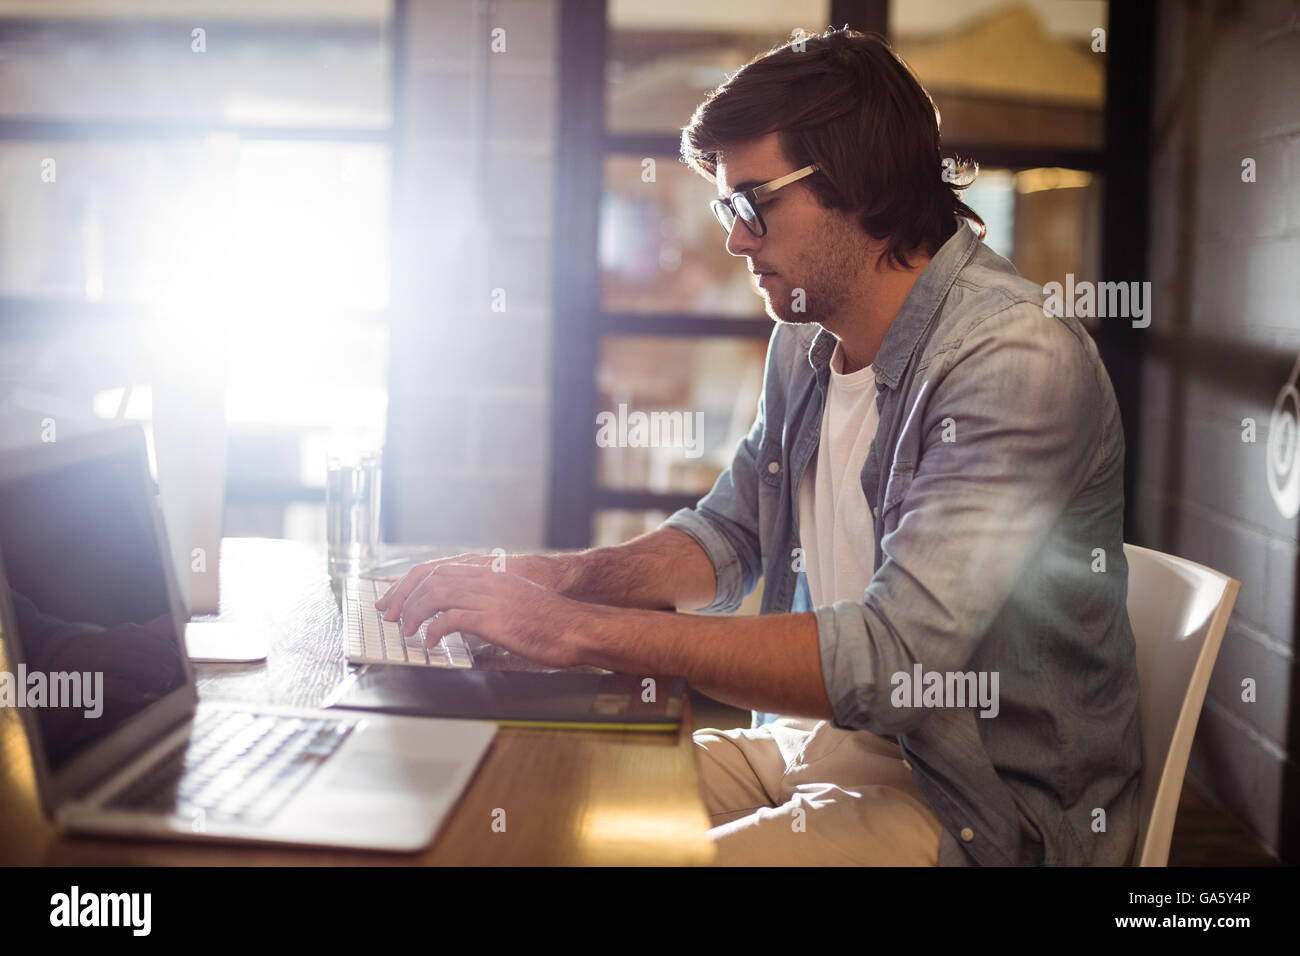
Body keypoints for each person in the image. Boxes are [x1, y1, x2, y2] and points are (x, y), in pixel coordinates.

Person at [377, 27, 1141, 866]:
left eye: (752, 203)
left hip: (977, 806)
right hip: (815, 746)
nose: (735, 240)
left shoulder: (1011, 359)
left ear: (860, 181)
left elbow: (894, 659)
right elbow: (729, 536)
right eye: (725, 208)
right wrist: (562, 578)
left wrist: (573, 628)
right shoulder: (807, 340)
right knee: (538, 794)